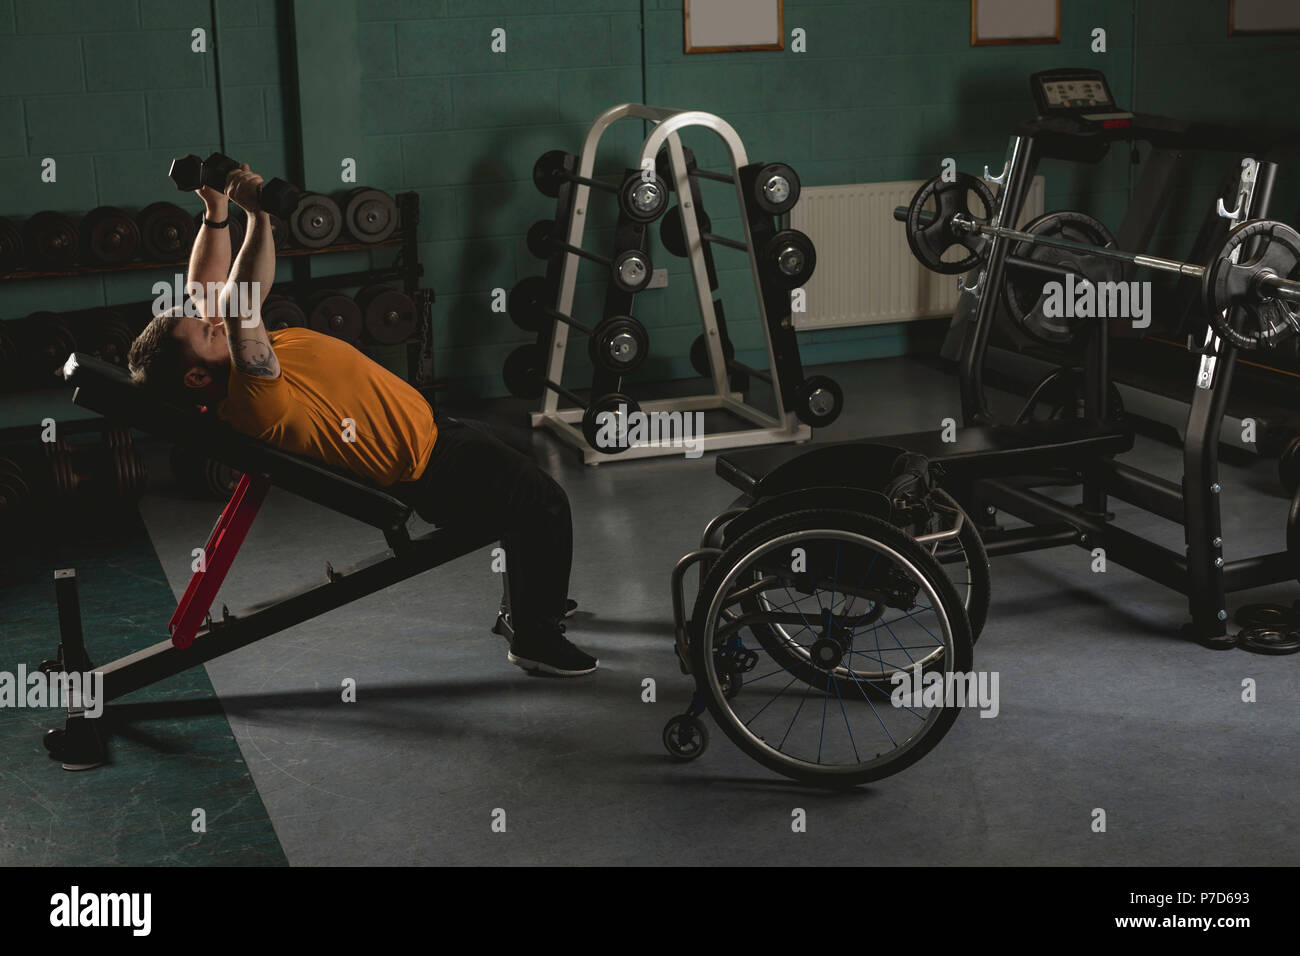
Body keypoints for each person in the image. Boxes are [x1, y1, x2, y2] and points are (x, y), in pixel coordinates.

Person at [126, 164, 596, 676]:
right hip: (430, 466)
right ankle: (534, 635)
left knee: (524, 475)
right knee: (544, 501)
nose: (213, 319)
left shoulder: (227, 366)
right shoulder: (251, 393)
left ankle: (533, 595)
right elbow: (238, 307)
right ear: (196, 378)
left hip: (433, 430)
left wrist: (216, 213)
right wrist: (257, 214)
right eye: (207, 332)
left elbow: (207, 289)